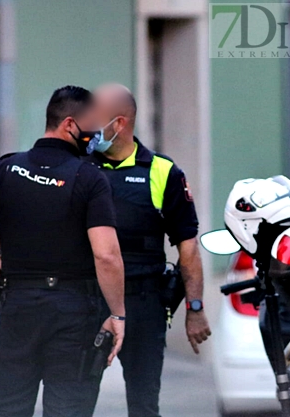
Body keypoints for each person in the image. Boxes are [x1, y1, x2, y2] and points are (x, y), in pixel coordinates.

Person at [0, 86, 126, 417]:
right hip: (73, 310)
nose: (98, 135)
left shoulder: (5, 169)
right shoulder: (90, 178)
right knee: (67, 408)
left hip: (18, 308)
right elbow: (107, 255)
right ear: (70, 124)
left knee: (11, 407)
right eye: (94, 126)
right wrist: (117, 314)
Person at [86, 83, 211, 417]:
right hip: (87, 300)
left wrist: (195, 308)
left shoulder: (162, 172)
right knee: (74, 401)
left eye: (94, 115)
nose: (87, 124)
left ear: (120, 123)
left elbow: (188, 245)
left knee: (143, 404)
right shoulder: (82, 168)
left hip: (143, 302)